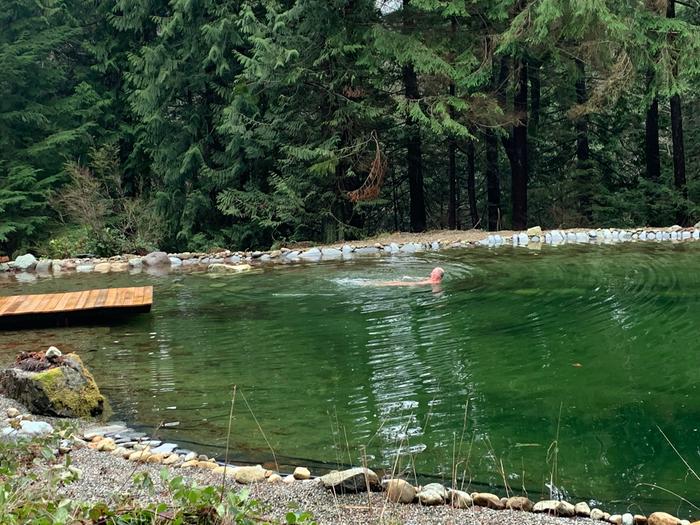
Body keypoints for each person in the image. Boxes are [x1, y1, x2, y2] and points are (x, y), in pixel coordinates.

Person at [375, 267, 444, 287]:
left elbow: (415, 284)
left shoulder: (433, 282)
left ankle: (382, 284)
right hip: (418, 283)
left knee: (396, 283)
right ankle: (384, 283)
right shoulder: (434, 280)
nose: (430, 273)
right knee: (394, 282)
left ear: (436, 275)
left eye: (432, 272)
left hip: (414, 284)